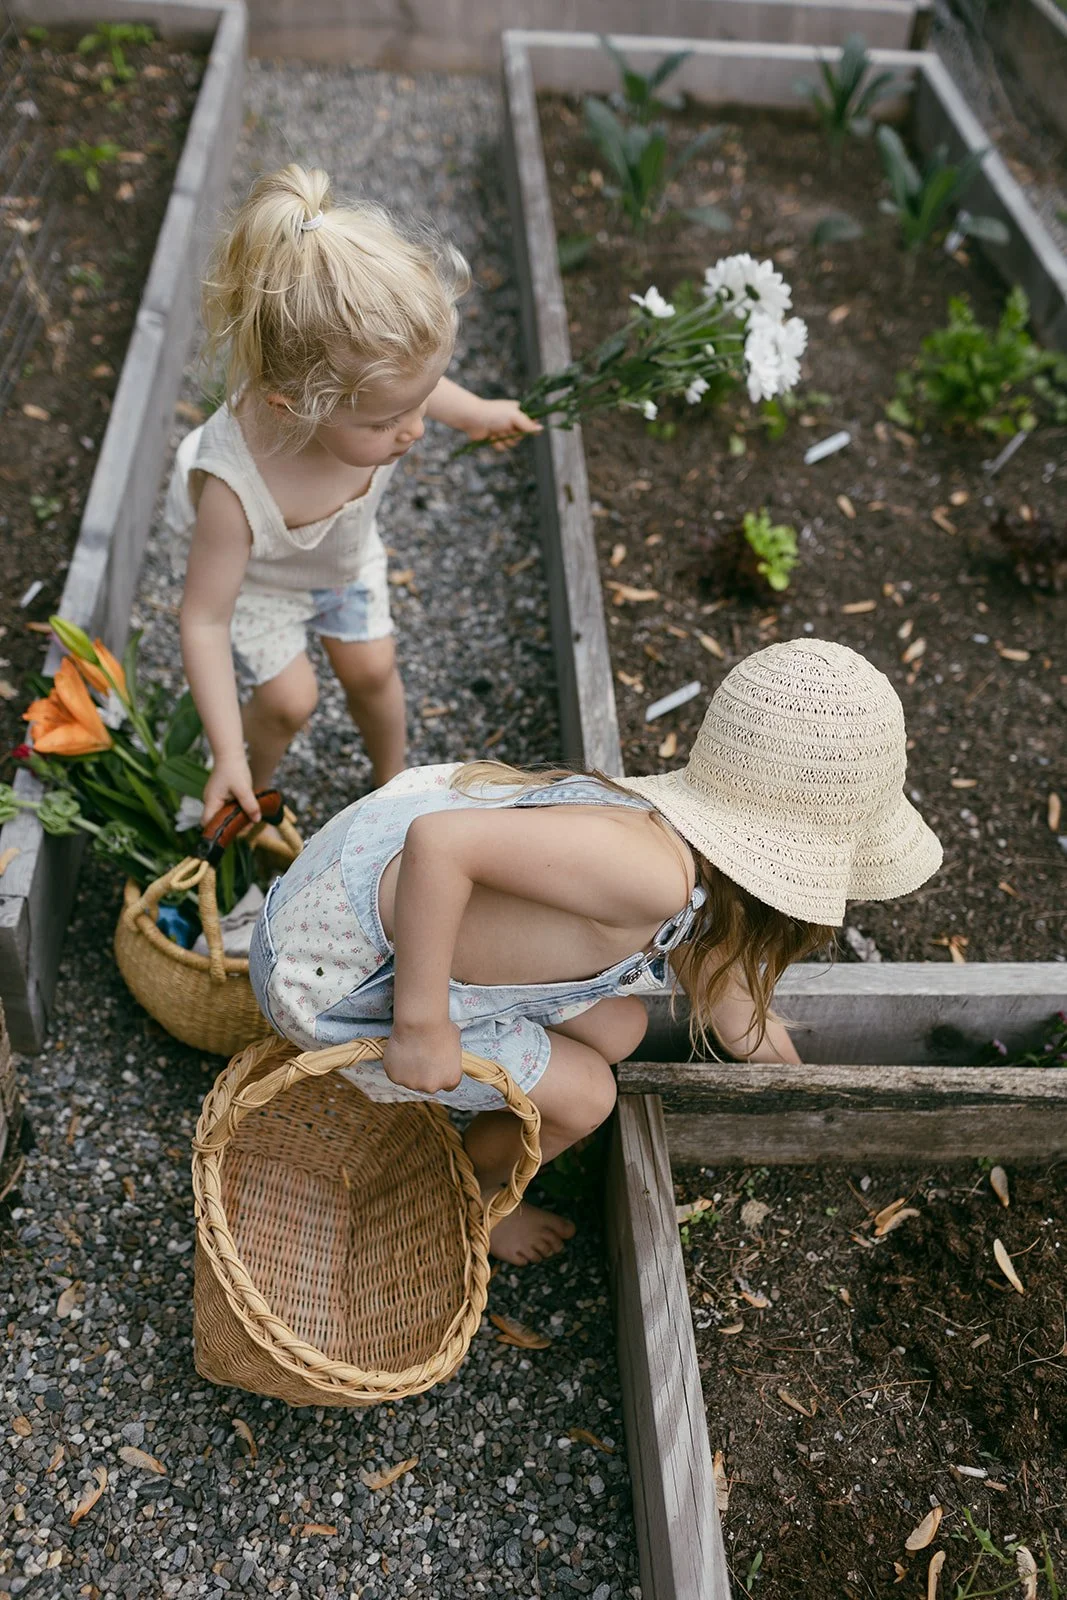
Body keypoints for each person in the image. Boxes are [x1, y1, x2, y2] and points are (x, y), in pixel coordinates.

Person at [248, 640, 942, 1265]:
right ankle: (477, 1204)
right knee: (586, 1097)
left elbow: (728, 1003)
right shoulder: (650, 874)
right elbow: (439, 845)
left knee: (624, 1027)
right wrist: (421, 1026)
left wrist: (804, 1092)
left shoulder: (685, 861)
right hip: (334, 970)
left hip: (363, 893)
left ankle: (489, 1113)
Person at [165, 164, 540, 822]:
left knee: (372, 671)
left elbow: (409, 393)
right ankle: (240, 793)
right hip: (261, 583)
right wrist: (224, 749)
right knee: (289, 700)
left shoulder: (379, 404)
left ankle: (391, 784)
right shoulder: (235, 486)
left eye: (420, 402)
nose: (415, 431)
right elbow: (203, 619)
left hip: (343, 562)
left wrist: (476, 411)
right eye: (385, 421)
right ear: (292, 410)